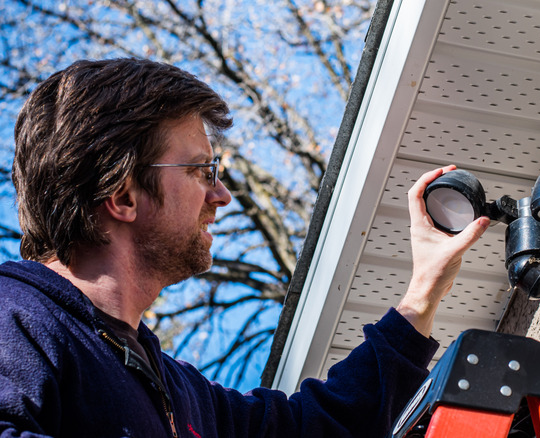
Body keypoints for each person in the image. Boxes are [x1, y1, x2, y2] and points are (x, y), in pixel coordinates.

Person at [0, 58, 489, 437]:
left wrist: (424, 288)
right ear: (124, 195)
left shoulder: (181, 395)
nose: (222, 195)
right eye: (202, 171)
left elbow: (318, 429)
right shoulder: (14, 318)